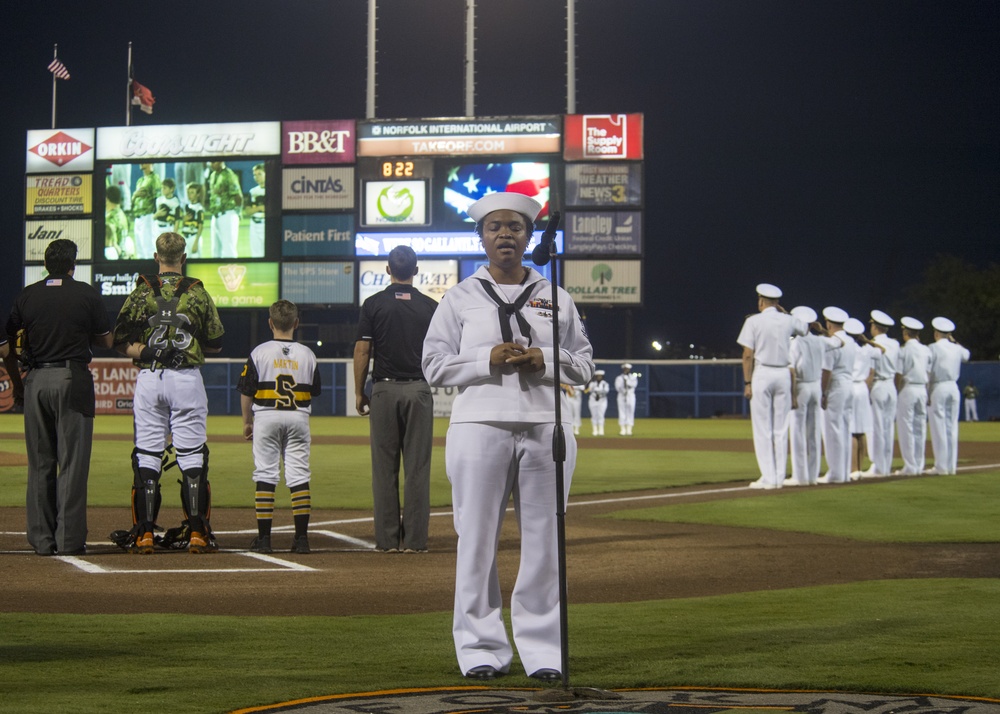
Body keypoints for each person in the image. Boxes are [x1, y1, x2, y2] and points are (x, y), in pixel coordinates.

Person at [421, 191, 594, 682]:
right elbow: (433, 366)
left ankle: (544, 652)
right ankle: (480, 648)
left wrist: (545, 360)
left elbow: (583, 363)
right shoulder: (459, 297)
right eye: (495, 226)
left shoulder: (556, 295)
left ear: (530, 236)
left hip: (547, 427)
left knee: (545, 543)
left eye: (515, 227)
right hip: (478, 427)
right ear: (481, 236)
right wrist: (484, 361)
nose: (505, 234)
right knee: (476, 540)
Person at [113, 232, 225, 554]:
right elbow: (216, 341)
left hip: (150, 377)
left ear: (156, 257)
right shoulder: (197, 292)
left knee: (147, 454)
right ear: (184, 257)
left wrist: (144, 350)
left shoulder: (141, 290)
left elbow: (119, 339)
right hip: (186, 378)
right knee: (192, 456)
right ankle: (197, 534)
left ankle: (145, 533)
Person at [6, 239, 112, 555]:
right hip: (72, 378)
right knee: (73, 463)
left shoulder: (28, 295)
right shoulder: (86, 293)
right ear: (72, 264)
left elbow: (6, 344)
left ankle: (41, 540)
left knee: (40, 464)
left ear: (45, 264)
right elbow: (106, 341)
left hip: (36, 378)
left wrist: (18, 383)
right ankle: (68, 540)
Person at [353, 246, 438, 554]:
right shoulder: (431, 306)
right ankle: (415, 542)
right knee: (418, 469)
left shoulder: (373, 304)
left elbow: (363, 350)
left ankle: (388, 542)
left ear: (387, 270)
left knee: (384, 469)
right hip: (419, 389)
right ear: (415, 271)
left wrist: (359, 391)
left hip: (385, 390)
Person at [237, 300, 321, 554]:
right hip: (298, 416)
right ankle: (302, 539)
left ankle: (264, 540)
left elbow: (246, 392)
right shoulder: (308, 354)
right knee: (299, 476)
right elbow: (315, 390)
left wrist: (246, 422)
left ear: (270, 323)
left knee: (265, 474)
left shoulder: (259, 352)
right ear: (296, 324)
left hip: (266, 415)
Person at [737, 283, 808, 489]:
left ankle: (768, 477)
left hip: (763, 373)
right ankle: (778, 477)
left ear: (760, 301)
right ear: (777, 303)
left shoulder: (754, 321)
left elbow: (748, 354)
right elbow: (804, 329)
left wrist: (747, 382)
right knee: (780, 428)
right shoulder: (787, 320)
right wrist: (784, 313)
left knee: (762, 428)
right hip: (783, 374)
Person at [785, 306, 839, 486]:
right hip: (816, 387)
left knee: (797, 431)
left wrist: (792, 395)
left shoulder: (796, 342)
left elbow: (791, 371)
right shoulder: (820, 340)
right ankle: (812, 475)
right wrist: (822, 330)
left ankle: (800, 476)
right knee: (814, 432)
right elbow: (840, 342)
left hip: (801, 387)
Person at [817, 306, 857, 484]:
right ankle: (845, 472)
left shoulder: (832, 342)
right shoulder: (851, 341)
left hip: (836, 386)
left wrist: (823, 393)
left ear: (828, 323)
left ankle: (835, 473)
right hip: (850, 385)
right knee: (845, 429)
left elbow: (827, 371)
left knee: (832, 431)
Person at [927, 316, 970, 475]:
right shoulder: (956, 348)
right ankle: (951, 466)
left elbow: (929, 371)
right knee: (952, 427)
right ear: (949, 334)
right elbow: (967, 355)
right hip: (954, 387)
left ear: (936, 333)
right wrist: (954, 340)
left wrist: (927, 392)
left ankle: (941, 466)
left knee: (939, 427)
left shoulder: (933, 347)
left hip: (938, 386)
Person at [895, 316, 932, 475]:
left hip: (908, 389)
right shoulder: (926, 350)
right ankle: (919, 464)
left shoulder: (904, 350)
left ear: (905, 333)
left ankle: (910, 466)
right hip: (922, 389)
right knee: (920, 428)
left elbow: (899, 374)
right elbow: (929, 373)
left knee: (906, 428)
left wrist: (896, 391)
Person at [865, 310, 900, 477]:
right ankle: (886, 464)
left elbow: (870, 372)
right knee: (888, 428)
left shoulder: (872, 344)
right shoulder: (895, 344)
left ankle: (877, 466)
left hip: (878, 386)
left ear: (874, 327)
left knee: (876, 427)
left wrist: (866, 389)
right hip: (891, 386)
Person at [844, 317, 880, 479]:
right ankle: (859, 468)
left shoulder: (847, 346)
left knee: (852, 431)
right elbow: (882, 351)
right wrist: (866, 340)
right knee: (861, 431)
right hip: (863, 388)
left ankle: (853, 469)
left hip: (851, 386)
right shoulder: (867, 349)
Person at [208, 161, 242, 258]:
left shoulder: (229, 175)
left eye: (213, 162)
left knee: (229, 250)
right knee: (215, 251)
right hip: (215, 215)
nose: (211, 164)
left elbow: (238, 196)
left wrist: (238, 212)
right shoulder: (213, 175)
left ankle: (231, 272)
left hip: (227, 214)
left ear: (221, 161)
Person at [131, 162, 161, 259]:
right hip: (138, 216)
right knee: (139, 249)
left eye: (145, 162)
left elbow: (158, 197)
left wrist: (155, 215)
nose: (142, 165)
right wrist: (135, 195)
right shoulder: (140, 180)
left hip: (148, 216)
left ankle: (151, 272)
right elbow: (134, 200)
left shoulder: (154, 178)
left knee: (148, 248)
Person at [104, 184, 132, 260]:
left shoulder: (110, 218)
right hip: (123, 254)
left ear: (107, 199)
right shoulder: (122, 214)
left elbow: (111, 243)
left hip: (114, 256)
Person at [245, 163, 266, 258]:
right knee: (256, 255)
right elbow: (247, 211)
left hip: (267, 225)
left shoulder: (274, 190)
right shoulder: (252, 191)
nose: (256, 177)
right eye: (254, 174)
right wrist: (259, 208)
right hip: (254, 224)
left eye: (259, 174)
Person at [179, 182, 206, 257]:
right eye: (188, 192)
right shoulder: (186, 207)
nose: (189, 195)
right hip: (185, 237)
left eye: (192, 193)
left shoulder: (199, 209)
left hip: (194, 237)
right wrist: (184, 220)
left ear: (198, 194)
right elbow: (184, 224)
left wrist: (196, 242)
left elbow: (200, 226)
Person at [615, 362, 639, 435]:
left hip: (630, 395)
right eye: (625, 369)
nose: (626, 370)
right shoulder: (619, 378)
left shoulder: (633, 377)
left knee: (630, 412)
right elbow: (617, 387)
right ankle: (622, 429)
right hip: (622, 395)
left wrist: (627, 382)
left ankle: (629, 429)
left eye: (627, 369)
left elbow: (633, 385)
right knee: (622, 412)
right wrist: (623, 389)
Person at [585, 368, 610, 435]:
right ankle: (595, 430)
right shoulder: (592, 384)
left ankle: (601, 429)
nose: (599, 377)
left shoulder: (605, 384)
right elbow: (588, 390)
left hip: (602, 400)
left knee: (601, 415)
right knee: (594, 415)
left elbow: (606, 391)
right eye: (598, 376)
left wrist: (598, 390)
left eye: (600, 376)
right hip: (593, 400)